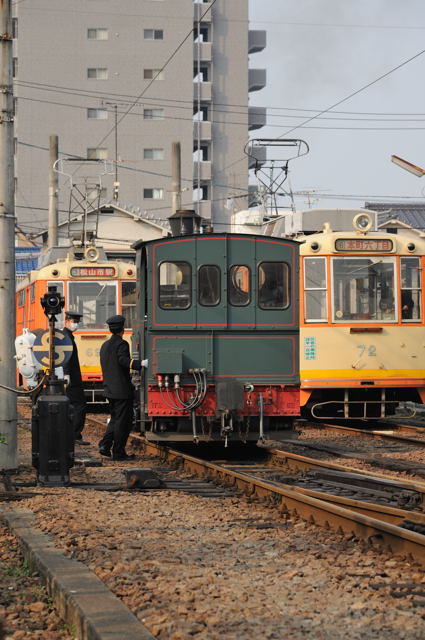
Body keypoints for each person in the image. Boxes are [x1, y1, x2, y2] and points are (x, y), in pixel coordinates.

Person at [98, 315, 140, 461]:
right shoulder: (122, 344)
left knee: (115, 419)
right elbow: (123, 361)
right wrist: (139, 364)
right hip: (122, 391)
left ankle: (105, 445)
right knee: (124, 422)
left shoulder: (105, 346)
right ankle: (118, 452)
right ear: (122, 329)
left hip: (109, 389)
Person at [62, 311, 89, 445]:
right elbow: (65, 357)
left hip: (72, 377)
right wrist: (66, 374)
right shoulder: (66, 337)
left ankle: (72, 434)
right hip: (72, 379)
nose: (76, 324)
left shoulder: (68, 336)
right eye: (74, 321)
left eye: (77, 322)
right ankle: (75, 435)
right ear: (66, 321)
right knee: (79, 406)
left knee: (73, 405)